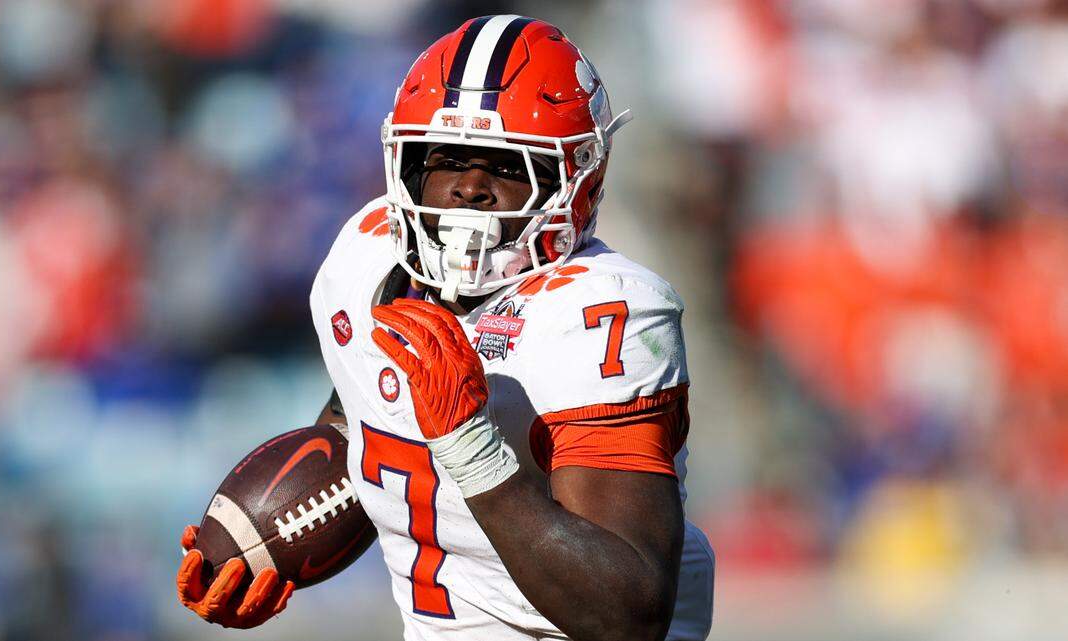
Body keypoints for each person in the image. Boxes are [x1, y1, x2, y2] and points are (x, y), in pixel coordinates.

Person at [176, 15, 714, 641]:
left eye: (508, 165)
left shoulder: (603, 314)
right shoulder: (364, 258)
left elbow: (628, 614)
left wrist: (469, 447)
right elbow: (361, 432)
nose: (470, 188)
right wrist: (265, 547)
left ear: (578, 179)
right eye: (448, 157)